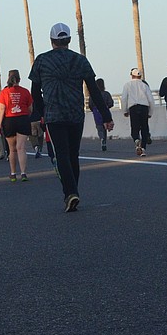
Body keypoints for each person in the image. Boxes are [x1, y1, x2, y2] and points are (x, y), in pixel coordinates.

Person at [29, 22, 114, 212]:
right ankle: (72, 191)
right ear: (69, 40)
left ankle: (70, 193)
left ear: (52, 41)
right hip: (76, 114)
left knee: (61, 155)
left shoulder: (42, 60)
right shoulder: (80, 60)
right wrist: (107, 116)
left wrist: (42, 111)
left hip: (53, 115)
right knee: (73, 154)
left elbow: (35, 91)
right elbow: (94, 90)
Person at [0, 70, 33, 182]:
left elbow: (1, 109)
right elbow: (30, 108)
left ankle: (13, 173)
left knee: (12, 149)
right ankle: (23, 173)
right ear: (19, 79)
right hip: (22, 119)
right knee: (21, 147)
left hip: (9, 120)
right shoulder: (25, 91)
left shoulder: (4, 92)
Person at [121, 68, 155, 157]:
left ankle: (136, 140)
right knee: (144, 127)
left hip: (133, 107)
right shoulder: (144, 85)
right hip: (144, 107)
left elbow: (124, 98)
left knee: (134, 127)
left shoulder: (127, 85)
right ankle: (143, 148)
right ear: (140, 76)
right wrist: (150, 112)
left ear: (131, 75)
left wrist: (125, 110)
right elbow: (151, 100)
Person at [89, 78, 114, 151]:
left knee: (99, 127)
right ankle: (104, 141)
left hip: (96, 111)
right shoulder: (106, 94)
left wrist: (93, 110)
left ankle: (102, 138)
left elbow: (90, 104)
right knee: (105, 126)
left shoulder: (93, 94)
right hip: (105, 110)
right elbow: (111, 103)